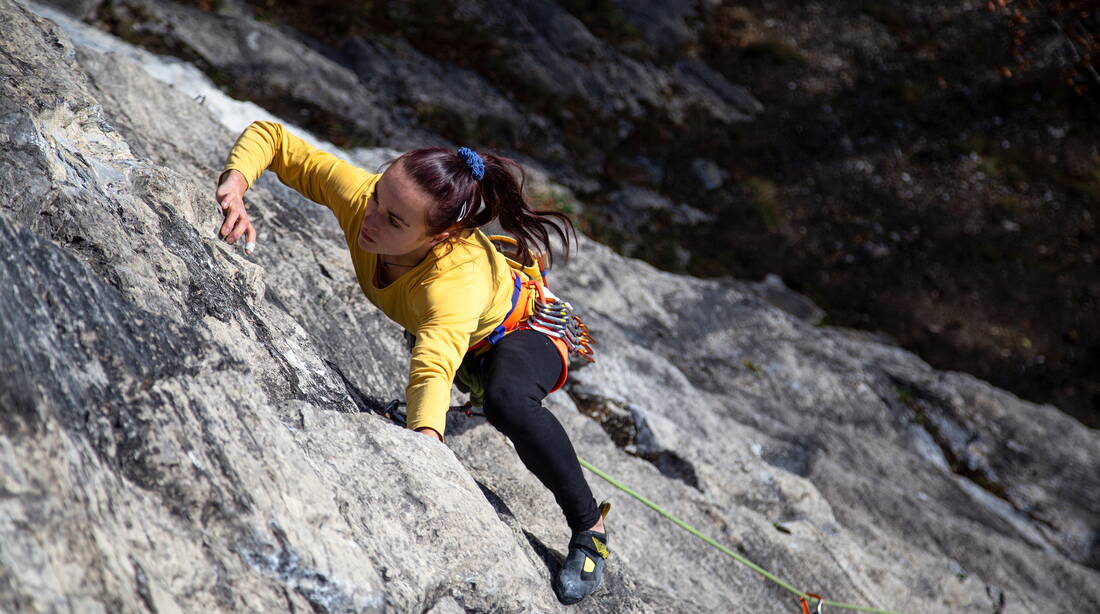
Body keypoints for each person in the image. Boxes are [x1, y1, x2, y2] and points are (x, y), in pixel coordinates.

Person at [215, 121, 610, 604]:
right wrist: (234, 186)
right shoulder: (368, 203)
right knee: (450, 348)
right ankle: (480, 386)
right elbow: (274, 140)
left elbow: (433, 365)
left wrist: (423, 444)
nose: (371, 219)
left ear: (441, 236)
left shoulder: (451, 284)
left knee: (508, 402)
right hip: (466, 332)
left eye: (395, 221)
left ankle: (590, 527)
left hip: (525, 329)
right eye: (379, 196)